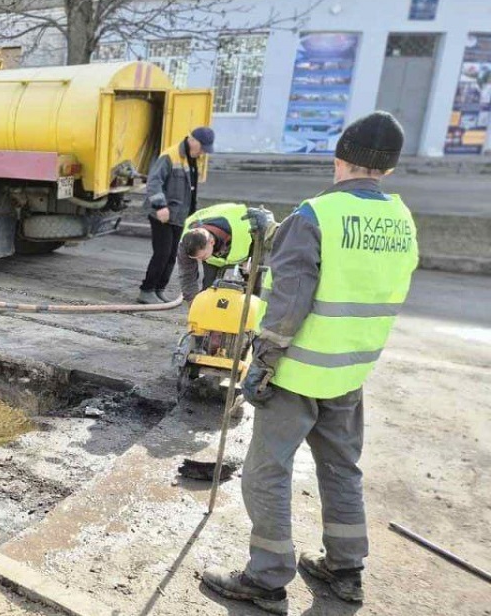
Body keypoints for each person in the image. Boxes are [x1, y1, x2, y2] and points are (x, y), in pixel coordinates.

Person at [201, 112, 418, 614]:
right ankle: (346, 571)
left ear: (340, 158)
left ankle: (266, 579)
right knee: (342, 467)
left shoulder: (315, 215)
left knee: (266, 471)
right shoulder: (401, 219)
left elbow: (291, 298)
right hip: (350, 371)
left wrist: (264, 360)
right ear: (387, 170)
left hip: (296, 370)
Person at [137, 126, 214, 304]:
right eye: (202, 148)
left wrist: (195, 216)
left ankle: (159, 289)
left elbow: (191, 190)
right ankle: (146, 290)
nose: (203, 152)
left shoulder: (193, 159)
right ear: (192, 140)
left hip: (180, 216)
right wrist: (160, 205)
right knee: (162, 253)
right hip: (162, 214)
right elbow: (153, 182)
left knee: (172, 255)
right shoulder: (170, 156)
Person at [177, 202, 258, 303]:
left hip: (243, 246)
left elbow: (259, 242)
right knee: (209, 287)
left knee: (253, 286)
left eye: (202, 257)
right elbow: (187, 274)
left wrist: (251, 260)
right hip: (215, 252)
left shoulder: (242, 227)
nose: (199, 261)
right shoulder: (186, 243)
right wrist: (192, 301)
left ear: (211, 242)